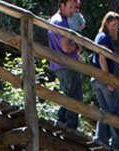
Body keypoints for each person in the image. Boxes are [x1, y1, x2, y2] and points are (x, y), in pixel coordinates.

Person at [90, 11, 119, 151]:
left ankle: (101, 138)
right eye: (113, 25)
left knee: (105, 110)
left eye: (117, 26)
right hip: (103, 79)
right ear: (106, 23)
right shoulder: (104, 38)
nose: (115, 28)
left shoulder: (100, 36)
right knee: (115, 111)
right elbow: (102, 58)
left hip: (96, 79)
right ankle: (117, 144)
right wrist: (108, 80)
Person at [47, 0, 85, 130]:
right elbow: (66, 47)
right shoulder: (61, 22)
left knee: (69, 94)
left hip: (58, 65)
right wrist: (77, 47)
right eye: (70, 7)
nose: (73, 10)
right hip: (66, 64)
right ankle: (70, 126)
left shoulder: (54, 20)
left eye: (74, 7)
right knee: (75, 97)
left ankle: (60, 121)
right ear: (62, 6)